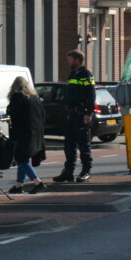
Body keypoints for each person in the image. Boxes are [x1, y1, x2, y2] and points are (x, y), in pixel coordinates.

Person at [54, 49, 95, 182]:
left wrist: (88, 113)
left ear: (78, 60)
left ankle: (86, 170)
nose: (68, 61)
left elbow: (91, 95)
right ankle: (68, 171)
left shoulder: (86, 74)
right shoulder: (72, 74)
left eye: (70, 59)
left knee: (84, 144)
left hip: (82, 114)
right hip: (72, 114)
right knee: (69, 145)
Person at [6, 76, 46, 193]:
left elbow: (15, 116)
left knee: (20, 158)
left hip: (24, 132)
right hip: (37, 131)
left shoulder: (17, 97)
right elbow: (43, 115)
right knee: (23, 158)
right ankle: (19, 185)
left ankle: (37, 182)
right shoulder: (35, 98)